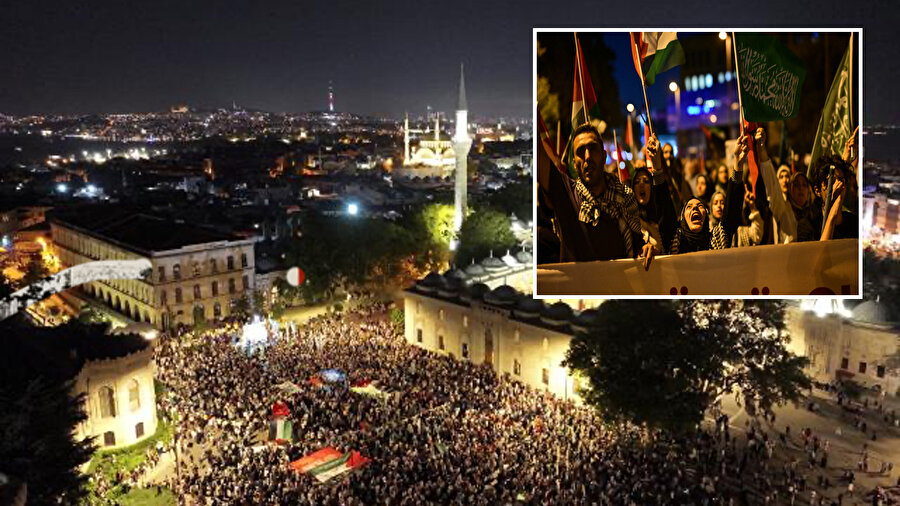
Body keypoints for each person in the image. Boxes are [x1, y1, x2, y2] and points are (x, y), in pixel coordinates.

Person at [538, 123, 654, 268]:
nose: (587, 156)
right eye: (580, 151)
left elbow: (638, 249)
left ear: (604, 156)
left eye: (593, 149)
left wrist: (646, 249)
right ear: (574, 164)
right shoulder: (565, 194)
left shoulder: (625, 197)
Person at [669, 135, 747, 254]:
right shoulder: (676, 242)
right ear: (683, 218)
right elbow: (664, 214)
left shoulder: (716, 240)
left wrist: (738, 162)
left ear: (707, 214)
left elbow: (731, 212)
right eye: (689, 207)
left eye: (700, 206)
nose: (695, 207)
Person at [808, 155, 858, 241]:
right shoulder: (809, 226)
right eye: (832, 182)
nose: (838, 186)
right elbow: (821, 252)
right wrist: (832, 211)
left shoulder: (855, 223)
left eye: (841, 180)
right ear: (817, 191)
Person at [631, 166, 677, 254]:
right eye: (637, 182)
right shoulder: (629, 221)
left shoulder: (661, 217)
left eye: (646, 181)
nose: (641, 184)